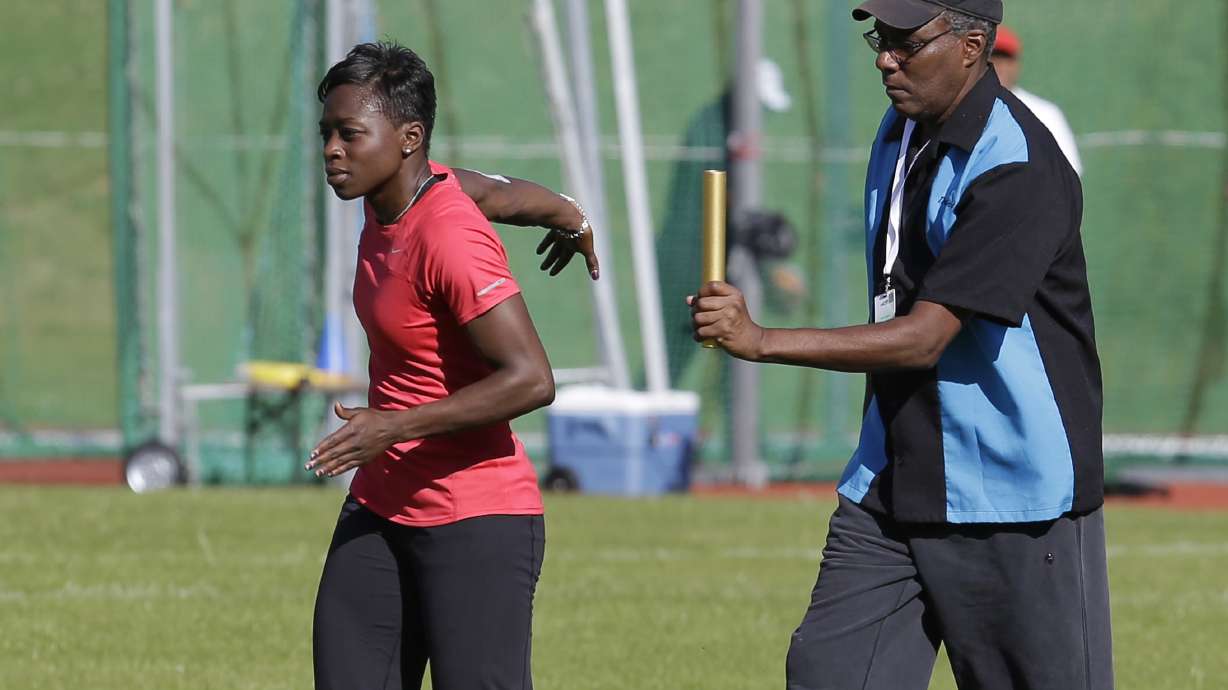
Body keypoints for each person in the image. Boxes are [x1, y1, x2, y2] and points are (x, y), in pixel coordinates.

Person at [689, 1, 1112, 688]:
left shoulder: (1019, 165)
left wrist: (760, 339)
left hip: (1010, 495)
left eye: (906, 43)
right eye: (879, 40)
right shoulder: (902, 127)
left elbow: (925, 338)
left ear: (973, 46)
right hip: (890, 478)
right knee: (829, 673)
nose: (885, 59)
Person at [305, 41, 593, 690]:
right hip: (382, 507)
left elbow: (532, 379)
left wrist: (393, 427)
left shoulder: (449, 237)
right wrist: (569, 215)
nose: (331, 150)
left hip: (476, 521)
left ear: (409, 138)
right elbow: (499, 190)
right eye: (326, 133)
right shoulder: (401, 191)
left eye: (350, 134)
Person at [991, 24, 1084, 175]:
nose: (999, 65)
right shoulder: (963, 109)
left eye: (1005, 58)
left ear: (1016, 65)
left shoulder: (1044, 113)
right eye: (992, 56)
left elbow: (1068, 172)